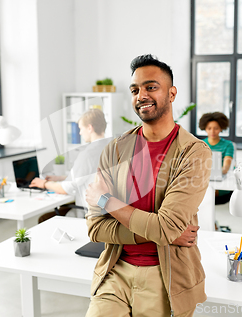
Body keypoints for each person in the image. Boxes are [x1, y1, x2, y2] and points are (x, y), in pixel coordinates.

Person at [84, 54, 212, 317]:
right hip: (115, 270)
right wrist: (162, 233)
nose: (141, 95)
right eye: (135, 90)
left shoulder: (193, 153)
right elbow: (95, 228)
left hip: (165, 277)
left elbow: (165, 227)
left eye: (151, 87)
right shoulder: (116, 150)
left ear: (172, 93)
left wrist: (107, 201)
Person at [30, 109, 111, 221]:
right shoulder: (111, 147)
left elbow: (66, 188)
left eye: (81, 128)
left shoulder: (87, 154)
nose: (80, 133)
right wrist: (60, 178)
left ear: (89, 128)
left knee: (44, 218)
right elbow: (90, 176)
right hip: (108, 208)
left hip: (88, 212)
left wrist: (43, 183)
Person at [199, 112, 235, 205]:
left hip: (220, 182)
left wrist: (218, 172)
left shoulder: (228, 145)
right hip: (202, 179)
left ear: (221, 128)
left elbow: (226, 166)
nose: (212, 131)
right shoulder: (199, 144)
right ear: (205, 128)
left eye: (216, 128)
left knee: (207, 192)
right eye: (209, 128)